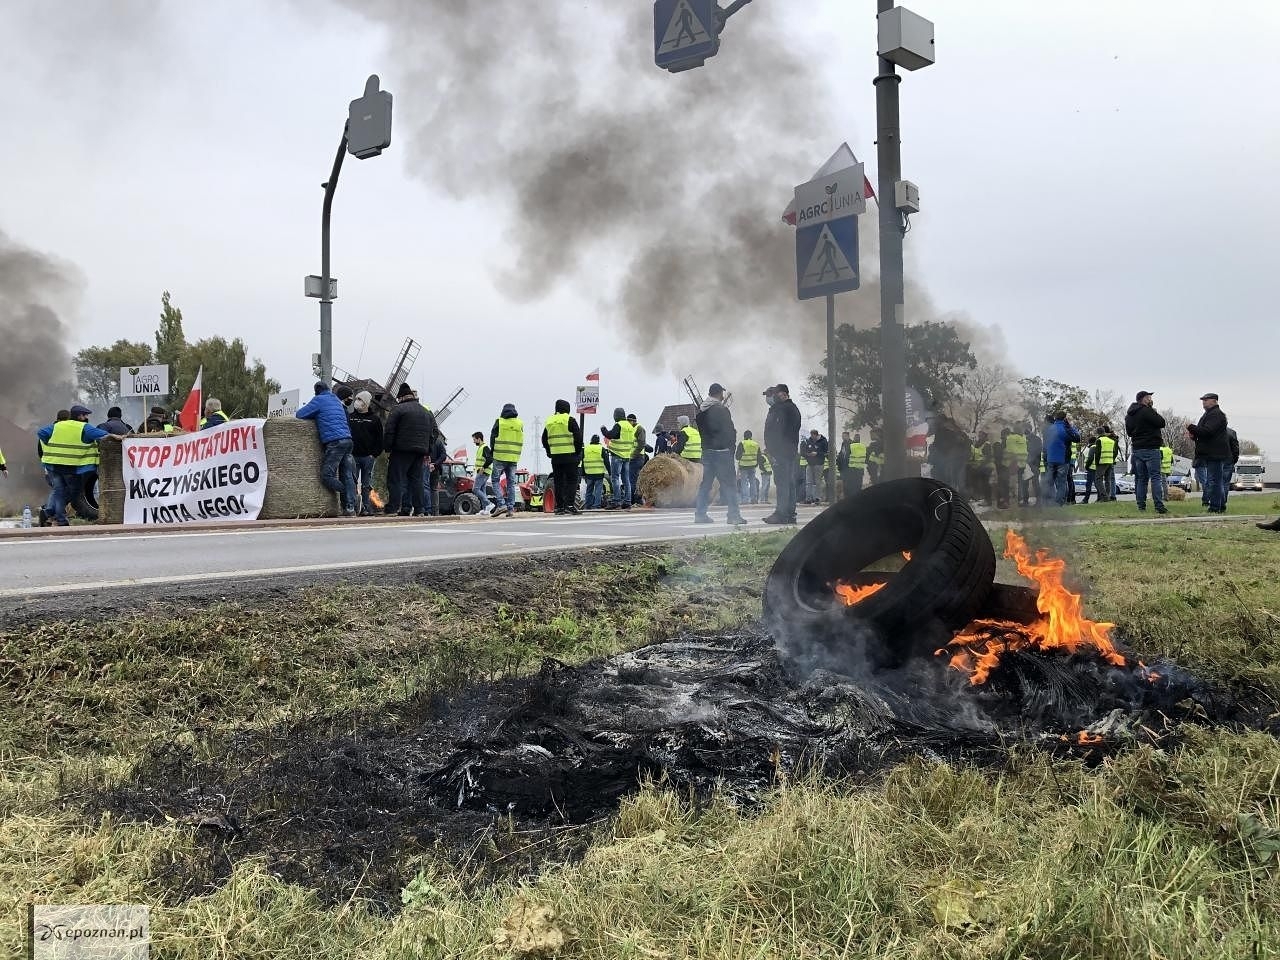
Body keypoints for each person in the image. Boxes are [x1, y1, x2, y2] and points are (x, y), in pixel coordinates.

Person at [36, 404, 118, 525]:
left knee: (59, 491)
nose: (86, 417)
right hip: (70, 466)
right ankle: (56, 516)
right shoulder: (83, 427)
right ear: (79, 416)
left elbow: (41, 433)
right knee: (73, 492)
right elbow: (101, 434)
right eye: (85, 415)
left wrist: (50, 443)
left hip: (53, 465)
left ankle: (53, 515)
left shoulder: (56, 427)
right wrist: (116, 436)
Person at [296, 381, 358, 516]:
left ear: (316, 391)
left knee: (326, 476)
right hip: (348, 440)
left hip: (335, 442)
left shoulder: (319, 400)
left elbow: (300, 415)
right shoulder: (335, 399)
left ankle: (348, 492)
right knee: (347, 474)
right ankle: (350, 507)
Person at [693, 383, 746, 525]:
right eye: (722, 393)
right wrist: (731, 448)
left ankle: (700, 514)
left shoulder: (700, 413)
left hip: (707, 452)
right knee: (730, 484)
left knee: (706, 484)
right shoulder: (722, 410)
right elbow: (730, 431)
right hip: (722, 452)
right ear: (718, 393)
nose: (723, 396)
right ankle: (733, 516)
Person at [385, 382, 439, 516]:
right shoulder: (426, 412)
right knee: (417, 480)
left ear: (401, 397)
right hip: (420, 452)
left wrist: (388, 447)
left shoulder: (398, 409)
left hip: (401, 450)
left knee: (395, 479)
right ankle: (419, 509)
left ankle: (393, 508)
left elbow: (389, 430)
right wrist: (428, 450)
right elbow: (434, 432)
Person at [763, 384, 801, 524]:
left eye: (773, 394)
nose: (770, 398)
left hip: (782, 453)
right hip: (787, 452)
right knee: (788, 483)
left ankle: (782, 514)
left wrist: (774, 451)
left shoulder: (783, 409)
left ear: (783, 394)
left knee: (782, 483)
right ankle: (790, 514)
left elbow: (777, 432)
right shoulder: (789, 408)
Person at [1124, 390, 1167, 515]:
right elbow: (1161, 422)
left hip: (1137, 449)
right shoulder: (1147, 411)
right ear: (1144, 399)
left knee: (1141, 479)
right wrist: (1152, 410)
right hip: (1151, 448)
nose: (1151, 400)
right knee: (1155, 477)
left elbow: (1129, 432)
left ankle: (1141, 505)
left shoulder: (1130, 415)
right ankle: (1159, 505)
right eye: (1149, 398)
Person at [1186, 393, 1230, 513]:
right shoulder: (1209, 414)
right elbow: (1204, 433)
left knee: (1215, 481)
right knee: (1216, 480)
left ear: (1214, 401)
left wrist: (1191, 427)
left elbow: (1208, 431)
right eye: (1203, 400)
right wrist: (1194, 436)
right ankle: (1220, 505)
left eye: (1206, 400)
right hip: (1211, 452)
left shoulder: (1216, 414)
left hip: (1215, 452)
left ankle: (1215, 507)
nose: (1203, 402)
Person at [543, 399, 584, 515]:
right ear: (567, 409)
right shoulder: (570, 420)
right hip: (570, 456)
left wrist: (549, 452)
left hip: (556, 457)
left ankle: (559, 507)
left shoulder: (549, 422)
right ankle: (570, 505)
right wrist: (577, 452)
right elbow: (578, 438)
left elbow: (544, 439)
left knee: (558, 481)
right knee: (572, 481)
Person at [348, 390, 383, 516]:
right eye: (356, 399)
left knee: (366, 484)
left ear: (367, 402)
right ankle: (353, 506)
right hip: (353, 455)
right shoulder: (350, 416)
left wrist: (374, 454)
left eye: (360, 400)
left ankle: (367, 508)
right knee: (352, 481)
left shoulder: (374, 419)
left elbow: (380, 439)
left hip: (368, 457)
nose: (357, 402)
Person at [489, 402, 523, 517]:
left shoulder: (500, 422)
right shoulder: (519, 424)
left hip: (499, 456)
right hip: (513, 457)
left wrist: (492, 451)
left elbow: (492, 437)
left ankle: (501, 504)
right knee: (511, 483)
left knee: (495, 480)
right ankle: (510, 508)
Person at [1042, 411, 1080, 507]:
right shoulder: (1066, 428)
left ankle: (1048, 502)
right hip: (1063, 459)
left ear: (1055, 418)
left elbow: (1045, 445)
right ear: (1064, 418)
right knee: (1062, 482)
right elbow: (1077, 438)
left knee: (1049, 481)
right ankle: (1059, 503)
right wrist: (1070, 427)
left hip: (1050, 459)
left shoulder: (1049, 429)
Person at [600, 407, 635, 510]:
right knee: (626, 479)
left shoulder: (619, 425)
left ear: (616, 416)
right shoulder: (629, 426)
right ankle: (627, 501)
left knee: (615, 478)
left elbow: (610, 435)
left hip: (617, 455)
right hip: (626, 456)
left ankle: (616, 501)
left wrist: (603, 429)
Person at [800, 429, 828, 504]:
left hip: (819, 464)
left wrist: (817, 453)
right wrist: (808, 455)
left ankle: (817, 498)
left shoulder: (823, 441)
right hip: (810, 464)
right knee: (809, 481)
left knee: (817, 481)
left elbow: (826, 452)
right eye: (811, 435)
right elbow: (804, 452)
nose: (812, 437)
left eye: (813, 435)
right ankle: (808, 498)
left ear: (816, 435)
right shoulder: (809, 441)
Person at [472, 431, 495, 516]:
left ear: (479, 439)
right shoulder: (481, 447)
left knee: (475, 489)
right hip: (483, 472)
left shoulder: (484, 447)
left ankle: (489, 504)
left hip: (483, 472)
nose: (474, 442)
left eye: (474, 440)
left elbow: (490, 459)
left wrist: (483, 467)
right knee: (482, 490)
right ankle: (486, 509)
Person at [838, 431, 867, 498]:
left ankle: (851, 498)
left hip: (849, 468)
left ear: (848, 436)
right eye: (842, 436)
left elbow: (846, 457)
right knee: (850, 484)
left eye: (844, 436)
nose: (843, 438)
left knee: (851, 485)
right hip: (848, 468)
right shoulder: (843, 444)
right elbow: (842, 455)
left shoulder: (851, 445)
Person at [582, 433, 607, 509]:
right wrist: (610, 471)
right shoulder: (601, 449)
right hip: (599, 474)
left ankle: (588, 505)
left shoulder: (586, 449)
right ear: (598, 441)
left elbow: (583, 462)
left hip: (589, 473)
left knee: (589, 490)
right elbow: (606, 461)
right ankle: (596, 505)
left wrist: (583, 473)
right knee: (598, 490)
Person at [736, 429, 761, 504]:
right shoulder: (756, 444)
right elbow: (759, 456)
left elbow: (737, 456)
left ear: (744, 436)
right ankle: (754, 499)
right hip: (752, 466)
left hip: (743, 466)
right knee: (753, 482)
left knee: (744, 483)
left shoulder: (742, 443)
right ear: (751, 436)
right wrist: (756, 463)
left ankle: (745, 500)